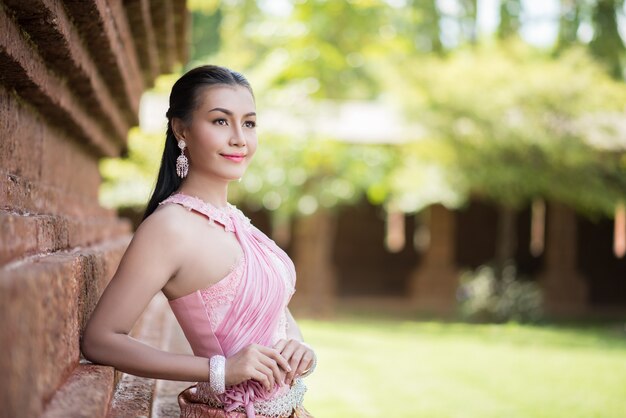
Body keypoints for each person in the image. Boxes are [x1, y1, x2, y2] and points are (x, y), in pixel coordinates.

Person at [81, 65, 316, 418]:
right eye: (221, 121)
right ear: (181, 129)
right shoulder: (169, 228)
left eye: (249, 123)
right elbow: (100, 339)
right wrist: (219, 369)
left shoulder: (240, 224)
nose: (239, 138)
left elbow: (277, 311)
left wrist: (299, 347)